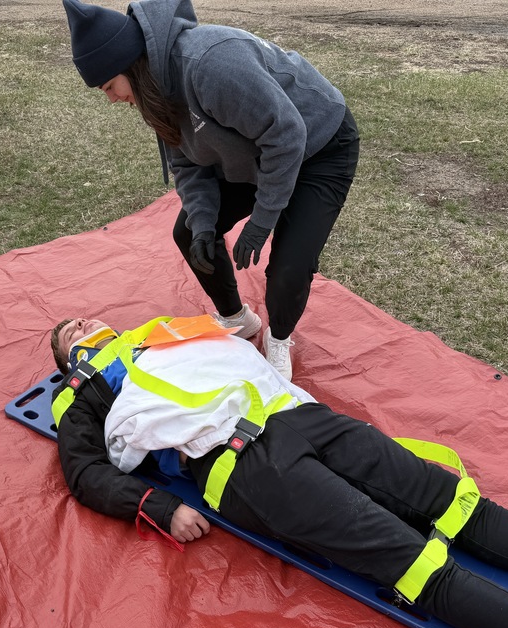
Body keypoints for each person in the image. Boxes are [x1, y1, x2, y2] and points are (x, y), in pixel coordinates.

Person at [48, 314, 508, 628]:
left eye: (82, 318)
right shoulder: (87, 388)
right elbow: (84, 472)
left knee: (454, 504)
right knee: (413, 564)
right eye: (68, 333)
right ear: (67, 359)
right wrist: (155, 504)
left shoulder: (161, 329)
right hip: (245, 462)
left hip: (301, 417)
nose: (81, 324)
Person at [62, 0, 360, 380]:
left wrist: (263, 220)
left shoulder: (211, 63)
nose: (111, 99)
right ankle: (239, 319)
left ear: (130, 64)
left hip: (318, 146)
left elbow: (287, 137)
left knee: (290, 265)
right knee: (189, 232)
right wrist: (204, 222)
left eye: (109, 85)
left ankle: (279, 338)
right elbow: (187, 162)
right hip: (256, 152)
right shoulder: (154, 90)